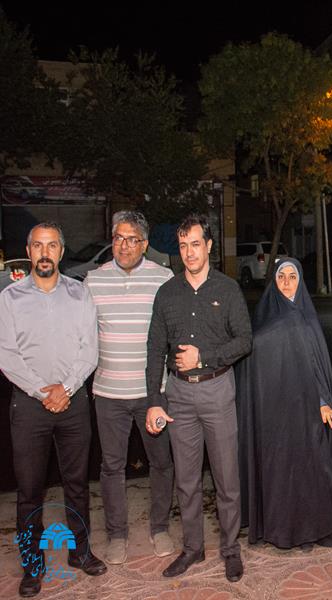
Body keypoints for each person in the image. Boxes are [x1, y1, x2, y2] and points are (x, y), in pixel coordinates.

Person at [0, 222, 106, 598]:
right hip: (29, 406)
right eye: (38, 246)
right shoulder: (10, 298)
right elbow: (6, 354)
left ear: (61, 251)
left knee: (77, 484)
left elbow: (89, 349)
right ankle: (33, 565)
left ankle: (81, 552)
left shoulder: (80, 294)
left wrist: (67, 388)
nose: (45, 253)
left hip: (73, 403)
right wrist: (41, 391)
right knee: (30, 490)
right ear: (28, 251)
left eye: (52, 246)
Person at [145, 215, 252, 581]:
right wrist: (154, 399)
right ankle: (193, 548)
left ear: (208, 246)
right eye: (183, 246)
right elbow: (155, 350)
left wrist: (204, 358)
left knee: (226, 479)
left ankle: (230, 549)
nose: (189, 252)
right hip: (178, 395)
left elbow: (244, 340)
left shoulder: (228, 289)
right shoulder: (167, 293)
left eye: (195, 244)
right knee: (186, 479)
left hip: (217, 390)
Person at [236, 258, 332, 550]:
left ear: (301, 281)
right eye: (282, 277)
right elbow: (252, 361)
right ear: (274, 282)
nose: (287, 282)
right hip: (274, 410)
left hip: (307, 408)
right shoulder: (265, 315)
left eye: (293, 276)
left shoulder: (306, 318)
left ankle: (308, 531)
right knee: (280, 472)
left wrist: (323, 401)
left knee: (309, 470)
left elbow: (316, 366)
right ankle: (284, 530)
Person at [85, 211, 175, 564]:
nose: (124, 246)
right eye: (118, 238)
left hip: (153, 395)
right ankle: (117, 534)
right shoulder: (93, 280)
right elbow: (82, 336)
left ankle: (160, 527)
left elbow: (172, 334)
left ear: (145, 244)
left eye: (132, 239)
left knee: (161, 462)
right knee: (111, 466)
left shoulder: (163, 279)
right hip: (109, 394)